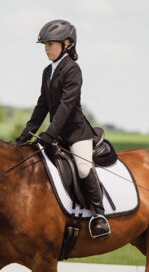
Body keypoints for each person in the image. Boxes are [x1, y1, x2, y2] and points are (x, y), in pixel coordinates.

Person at [15, 19, 110, 239]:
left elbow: (67, 106)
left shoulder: (73, 70)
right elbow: (42, 106)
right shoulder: (47, 71)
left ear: (66, 44)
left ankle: (99, 216)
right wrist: (26, 135)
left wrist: (49, 134)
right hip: (56, 136)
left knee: (84, 168)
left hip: (76, 134)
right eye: (45, 44)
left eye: (51, 43)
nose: (47, 48)